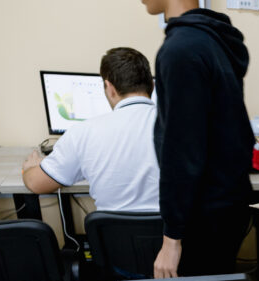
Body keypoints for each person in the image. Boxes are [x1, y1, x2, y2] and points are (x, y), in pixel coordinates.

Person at [123, 0, 255, 278]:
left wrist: (172, 238)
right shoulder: (214, 38)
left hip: (204, 215)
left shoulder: (181, 50)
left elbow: (183, 151)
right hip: (228, 204)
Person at [22, 47, 159, 212]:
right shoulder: (181, 126)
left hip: (111, 229)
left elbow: (36, 184)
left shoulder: (82, 132)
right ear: (152, 85)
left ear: (109, 88)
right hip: (173, 228)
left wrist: (30, 168)